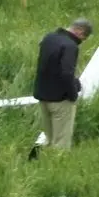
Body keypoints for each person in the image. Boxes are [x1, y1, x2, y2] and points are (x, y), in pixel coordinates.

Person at [32, 18, 93, 150]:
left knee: (49, 139)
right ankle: (57, 166)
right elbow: (66, 74)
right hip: (60, 100)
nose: (82, 41)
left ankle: (44, 164)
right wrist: (72, 94)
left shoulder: (48, 38)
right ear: (79, 31)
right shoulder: (70, 46)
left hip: (42, 96)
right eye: (84, 37)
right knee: (61, 144)